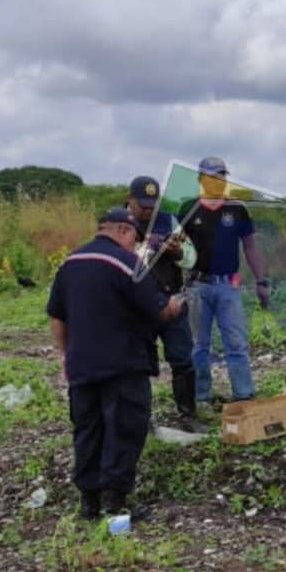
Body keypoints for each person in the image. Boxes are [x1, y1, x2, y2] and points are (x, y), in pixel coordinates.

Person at [47, 208, 185, 519]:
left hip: (81, 364)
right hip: (123, 364)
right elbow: (158, 311)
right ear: (123, 231)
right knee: (123, 429)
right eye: (135, 236)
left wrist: (64, 355)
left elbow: (57, 315)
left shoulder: (71, 263)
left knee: (88, 430)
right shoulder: (127, 264)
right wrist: (175, 306)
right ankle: (115, 501)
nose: (136, 244)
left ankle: (89, 502)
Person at [181, 156, 269, 405]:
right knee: (199, 345)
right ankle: (201, 398)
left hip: (228, 286)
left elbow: (250, 247)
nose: (219, 181)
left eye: (222, 176)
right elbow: (177, 248)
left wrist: (261, 281)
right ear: (201, 179)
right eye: (213, 176)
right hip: (197, 286)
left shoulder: (237, 209)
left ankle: (244, 395)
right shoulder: (187, 209)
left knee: (236, 343)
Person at [125, 175, 202, 432]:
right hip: (136, 307)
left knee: (182, 359)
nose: (148, 210)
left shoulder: (169, 221)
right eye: (143, 205)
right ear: (130, 201)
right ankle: (140, 419)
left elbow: (191, 259)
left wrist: (176, 252)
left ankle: (188, 414)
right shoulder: (117, 223)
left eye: (153, 204)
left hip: (171, 299)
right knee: (138, 365)